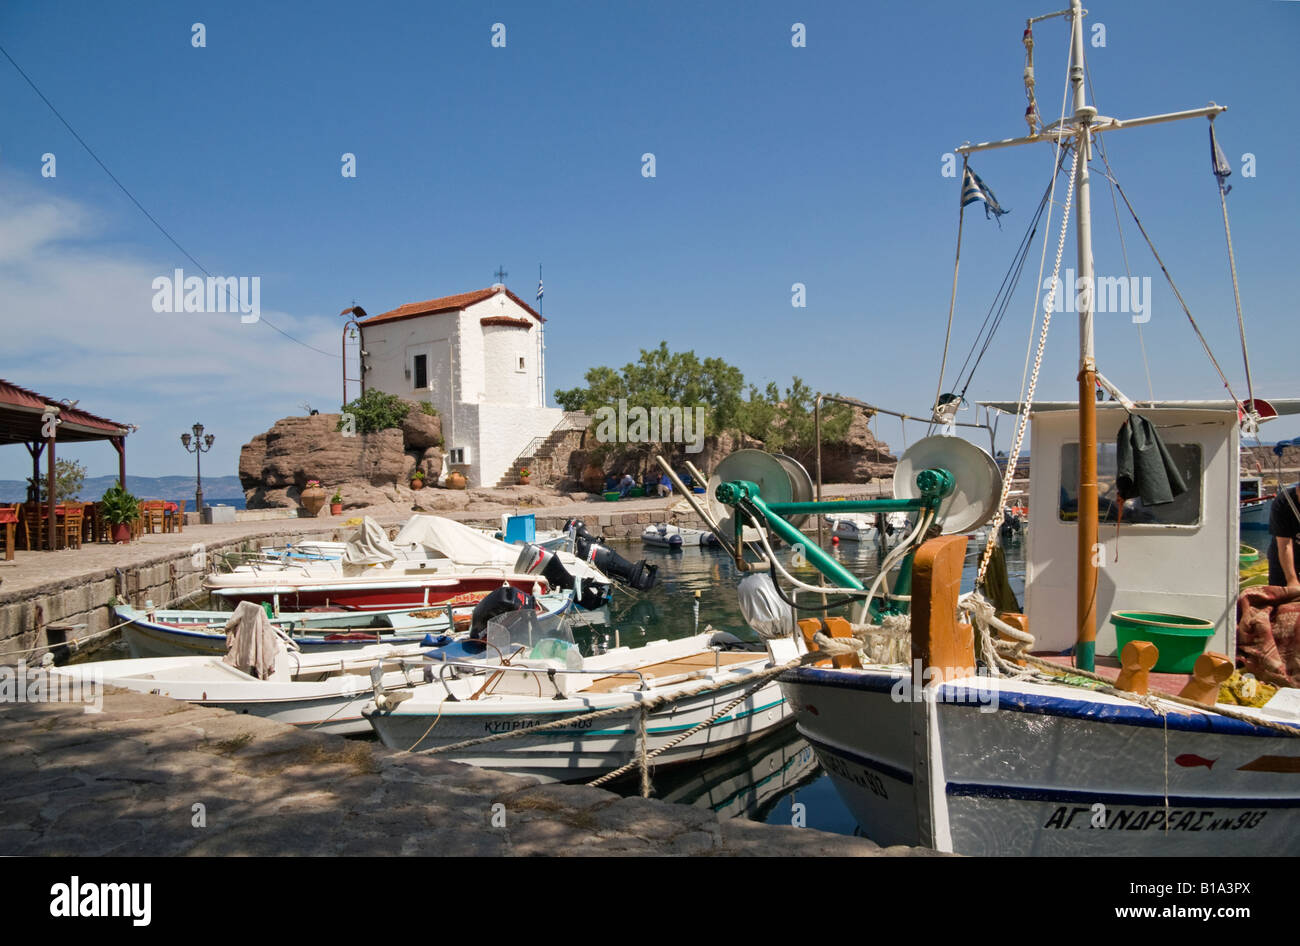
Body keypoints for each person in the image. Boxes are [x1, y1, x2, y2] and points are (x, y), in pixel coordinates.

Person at [1267, 483, 1300, 595]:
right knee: (1281, 593)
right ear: (1298, 490)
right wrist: (1292, 581)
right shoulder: (1283, 502)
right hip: (1283, 555)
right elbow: (1285, 545)